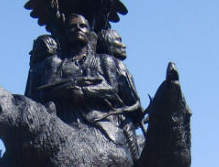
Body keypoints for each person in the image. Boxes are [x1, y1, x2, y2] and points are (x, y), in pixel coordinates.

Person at [27, 14, 142, 145]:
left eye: (82, 26)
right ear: (65, 33)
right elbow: (45, 92)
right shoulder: (54, 62)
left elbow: (112, 91)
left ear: (89, 32)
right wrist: (70, 90)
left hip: (101, 123)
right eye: (72, 26)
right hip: (63, 124)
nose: (78, 29)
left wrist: (83, 92)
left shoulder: (105, 61)